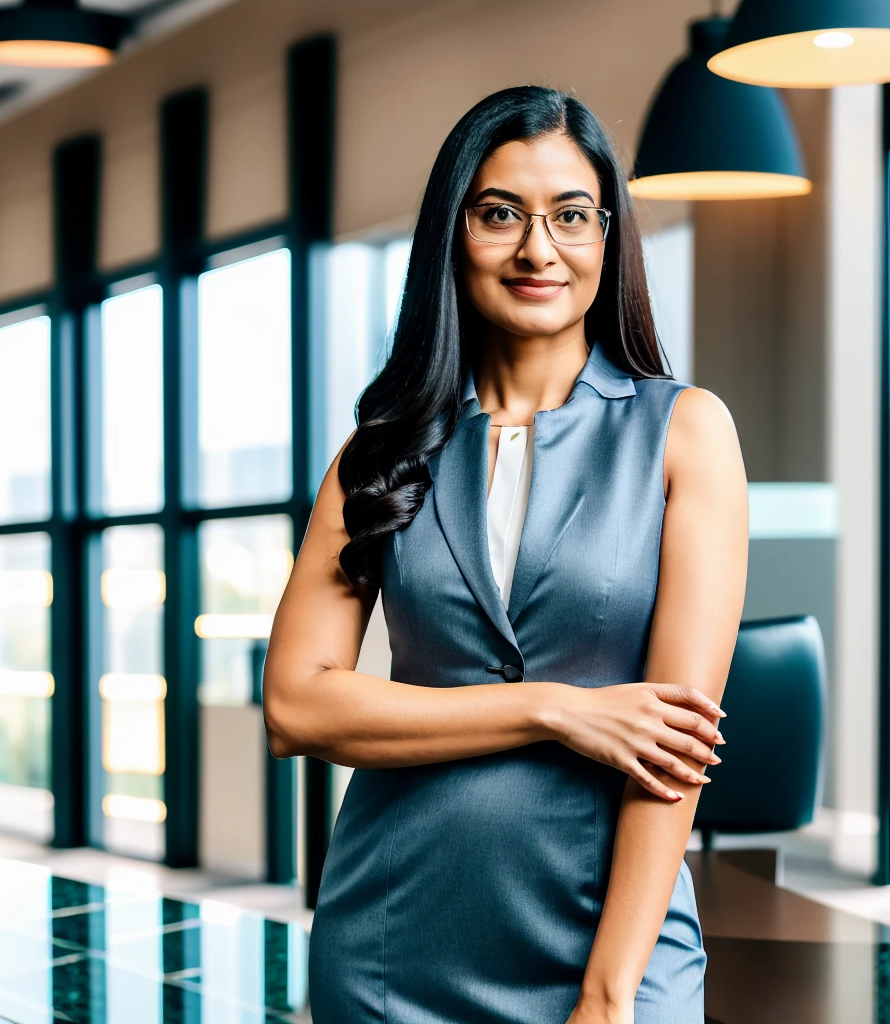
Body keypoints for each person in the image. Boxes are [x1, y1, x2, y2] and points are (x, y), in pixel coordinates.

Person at [263, 86, 748, 1024]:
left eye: (571, 215)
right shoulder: (379, 454)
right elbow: (295, 704)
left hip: (610, 951)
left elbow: (672, 753)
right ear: (455, 233)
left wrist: (610, 999)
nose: (539, 249)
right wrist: (555, 710)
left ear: (608, 238)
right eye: (500, 215)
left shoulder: (685, 433)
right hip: (389, 946)